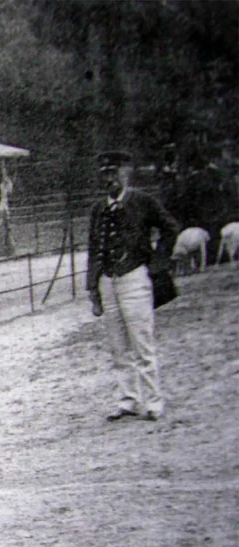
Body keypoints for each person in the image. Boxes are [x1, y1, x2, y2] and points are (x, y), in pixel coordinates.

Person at [86, 150, 181, 422]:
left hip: (134, 278)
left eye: (114, 173)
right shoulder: (98, 209)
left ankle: (153, 402)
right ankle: (128, 400)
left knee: (142, 343)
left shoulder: (142, 201)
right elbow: (94, 248)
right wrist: (93, 287)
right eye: (104, 174)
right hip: (108, 282)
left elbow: (170, 228)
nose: (109, 179)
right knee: (117, 346)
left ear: (125, 173)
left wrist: (157, 264)